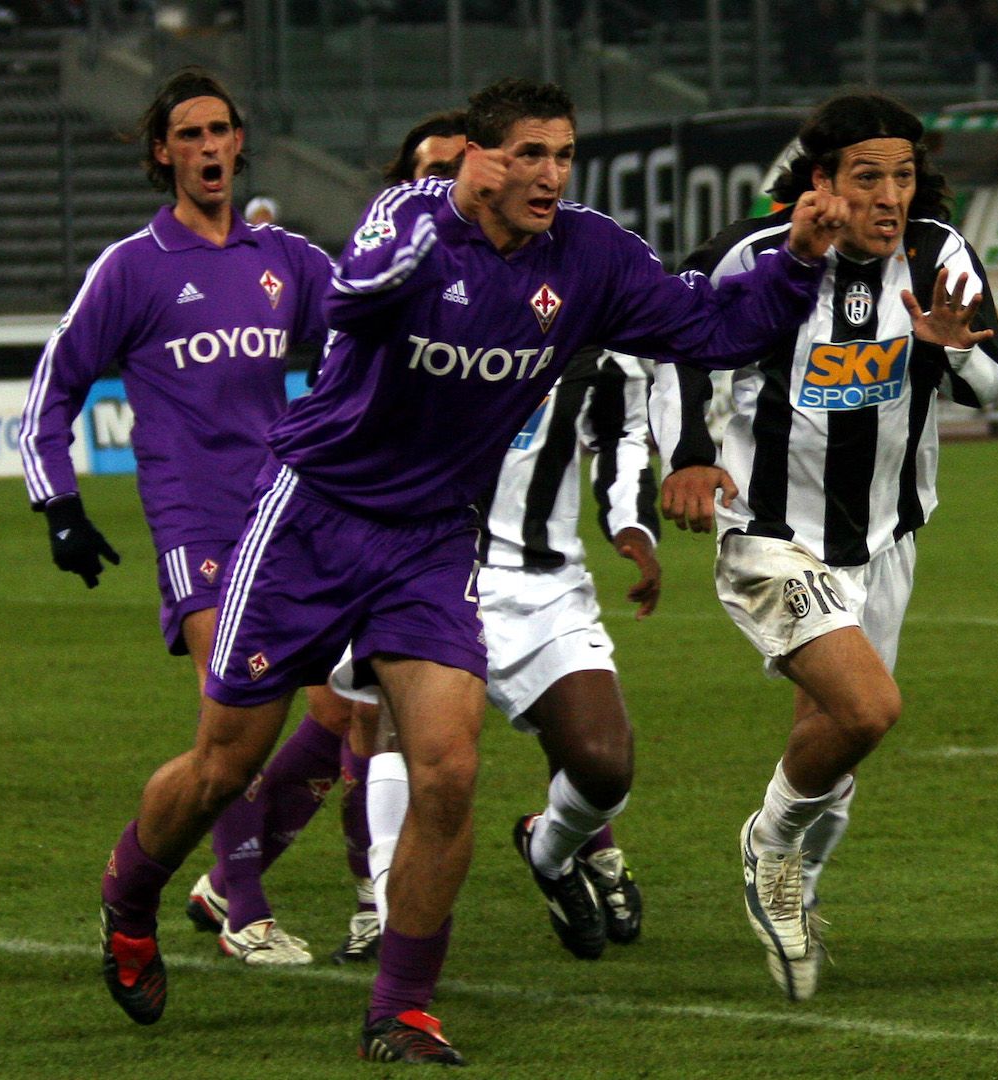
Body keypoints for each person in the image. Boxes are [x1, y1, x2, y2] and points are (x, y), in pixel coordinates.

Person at [92, 77, 844, 1064]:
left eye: (562, 155)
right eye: (528, 155)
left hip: (432, 542)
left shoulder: (591, 257)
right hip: (313, 521)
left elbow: (710, 325)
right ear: (483, 160)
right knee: (224, 761)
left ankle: (400, 1007)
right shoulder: (410, 216)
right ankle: (130, 897)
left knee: (449, 766)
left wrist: (797, 258)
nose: (550, 175)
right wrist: (434, 227)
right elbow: (357, 295)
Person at [648, 91, 998, 1003]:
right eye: (868, 177)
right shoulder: (757, 256)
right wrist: (689, 455)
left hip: (885, 537)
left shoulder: (938, 253)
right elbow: (678, 348)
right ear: (822, 184)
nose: (890, 197)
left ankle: (794, 890)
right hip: (770, 533)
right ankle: (767, 850)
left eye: (904, 176)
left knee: (834, 746)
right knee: (869, 710)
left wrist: (954, 354)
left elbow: (995, 383)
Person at [18, 68, 338, 966]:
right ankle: (247, 910)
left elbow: (367, 325)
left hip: (286, 518)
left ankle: (220, 878)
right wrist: (62, 506)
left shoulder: (285, 261)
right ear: (164, 153)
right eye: (189, 134)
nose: (208, 148)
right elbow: (55, 385)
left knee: (341, 712)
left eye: (221, 131)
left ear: (240, 145)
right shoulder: (134, 267)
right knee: (228, 710)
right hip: (194, 522)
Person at [183, 109, 480, 972]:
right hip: (326, 521)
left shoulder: (507, 279)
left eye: (458, 169)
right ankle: (343, 895)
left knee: (358, 719)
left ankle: (259, 882)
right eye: (427, 171)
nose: (444, 186)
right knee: (346, 719)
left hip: (439, 536)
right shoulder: (374, 267)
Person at [334, 349, 659, 962]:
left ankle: (550, 852)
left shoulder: (594, 317)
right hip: (424, 563)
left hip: (545, 582)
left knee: (604, 765)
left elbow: (622, 431)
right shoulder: (425, 295)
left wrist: (632, 526)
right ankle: (389, 910)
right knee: (404, 734)